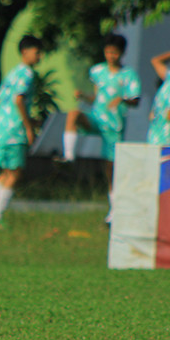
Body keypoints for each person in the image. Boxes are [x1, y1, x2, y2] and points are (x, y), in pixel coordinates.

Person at [62, 33, 141, 222]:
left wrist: (122, 99)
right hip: (96, 118)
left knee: (111, 169)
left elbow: (135, 100)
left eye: (114, 52)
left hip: (113, 125)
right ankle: (68, 156)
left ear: (121, 53)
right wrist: (83, 96)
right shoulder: (97, 71)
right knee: (73, 114)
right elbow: (97, 96)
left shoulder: (128, 75)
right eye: (107, 52)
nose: (111, 56)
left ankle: (114, 212)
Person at [0, 35, 44, 229]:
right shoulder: (27, 74)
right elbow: (19, 100)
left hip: (1, 129)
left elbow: (2, 99)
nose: (39, 56)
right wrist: (28, 126)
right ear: (25, 52)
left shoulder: (13, 73)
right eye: (37, 52)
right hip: (14, 131)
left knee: (6, 172)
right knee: (15, 173)